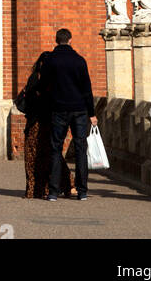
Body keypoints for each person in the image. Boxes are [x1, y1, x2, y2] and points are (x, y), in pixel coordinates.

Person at [39, 27, 97, 201]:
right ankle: (82, 191)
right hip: (79, 109)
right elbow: (87, 89)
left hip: (58, 109)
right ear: (70, 40)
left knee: (56, 149)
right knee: (80, 148)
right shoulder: (79, 61)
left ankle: (54, 191)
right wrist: (92, 113)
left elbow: (43, 85)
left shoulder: (51, 61)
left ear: (57, 41)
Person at [20, 50, 75, 199]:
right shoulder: (39, 79)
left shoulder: (48, 79)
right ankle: (40, 188)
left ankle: (46, 188)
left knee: (47, 156)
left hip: (45, 123)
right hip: (39, 123)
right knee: (39, 157)